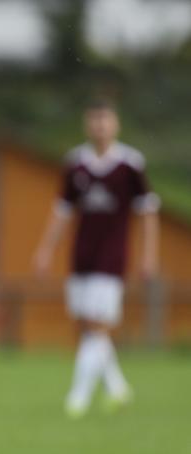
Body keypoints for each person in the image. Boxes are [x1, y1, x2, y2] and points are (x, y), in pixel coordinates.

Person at [33, 99, 159, 418]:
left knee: (97, 325)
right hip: (82, 255)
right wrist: (45, 250)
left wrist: (149, 256)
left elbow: (148, 212)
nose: (100, 126)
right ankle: (118, 388)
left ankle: (78, 397)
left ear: (115, 124)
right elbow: (62, 211)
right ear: (87, 124)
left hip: (112, 256)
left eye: (105, 120)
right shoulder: (76, 163)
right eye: (94, 120)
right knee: (85, 326)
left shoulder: (130, 164)